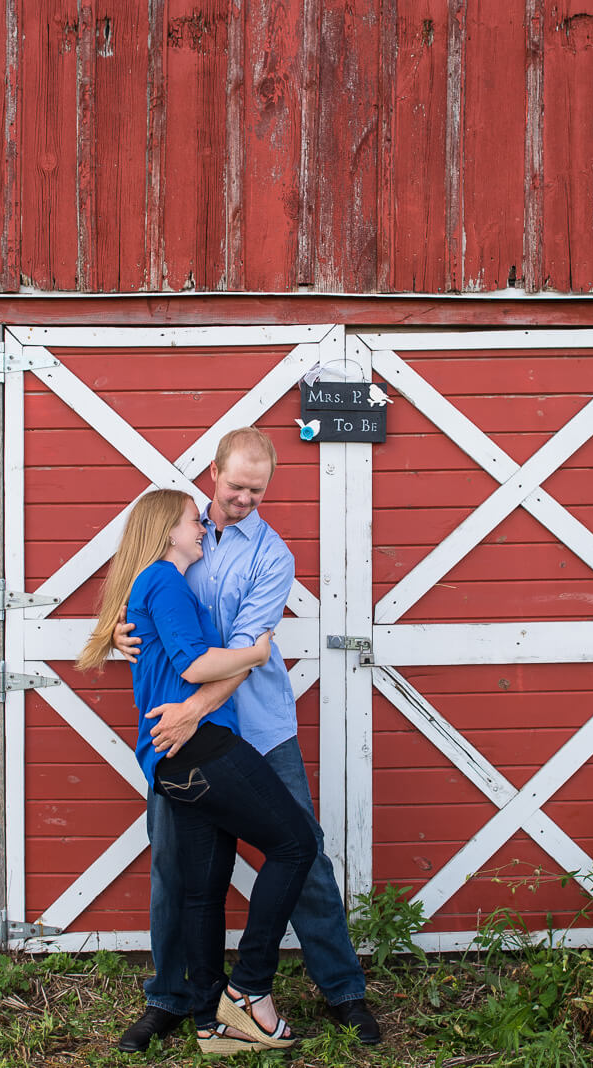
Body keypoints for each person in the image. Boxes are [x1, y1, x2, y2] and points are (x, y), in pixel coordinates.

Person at [115, 427, 382, 1053]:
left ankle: (343, 990)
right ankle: (172, 999)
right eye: (235, 486)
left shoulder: (271, 557)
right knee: (174, 868)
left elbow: (241, 655)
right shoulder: (176, 531)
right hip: (184, 738)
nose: (243, 499)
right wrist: (117, 640)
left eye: (256, 492)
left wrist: (190, 711)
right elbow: (138, 612)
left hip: (258, 727)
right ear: (213, 474)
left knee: (304, 855)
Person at [77, 488, 316, 1055]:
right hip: (199, 745)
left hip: (171, 761)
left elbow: (166, 650)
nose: (202, 527)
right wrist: (258, 653)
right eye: (193, 521)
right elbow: (195, 664)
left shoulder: (160, 584)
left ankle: (211, 1021)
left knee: (203, 891)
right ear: (168, 533)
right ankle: (251, 986)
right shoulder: (163, 579)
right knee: (297, 845)